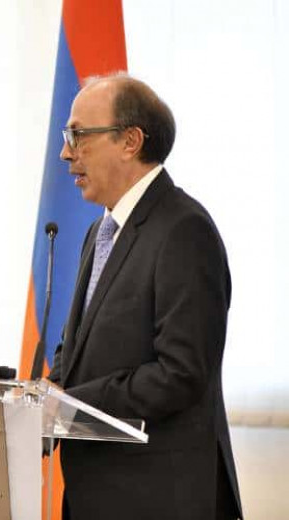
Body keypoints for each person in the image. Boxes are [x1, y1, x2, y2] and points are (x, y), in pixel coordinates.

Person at [47, 73, 243, 520]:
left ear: (130, 141)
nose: (66, 152)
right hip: (94, 492)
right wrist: (47, 392)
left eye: (78, 135)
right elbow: (77, 346)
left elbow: (181, 373)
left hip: (159, 497)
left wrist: (70, 404)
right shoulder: (100, 230)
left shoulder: (184, 229)